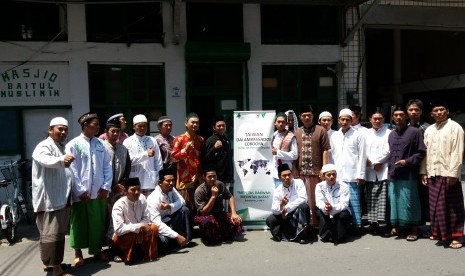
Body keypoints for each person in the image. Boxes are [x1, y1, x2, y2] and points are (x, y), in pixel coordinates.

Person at [65, 112, 112, 266]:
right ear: (85, 125)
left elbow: (107, 166)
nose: (98, 127)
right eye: (95, 124)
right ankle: (78, 253)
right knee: (79, 223)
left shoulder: (101, 144)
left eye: (99, 124)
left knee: (97, 222)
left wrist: (105, 187)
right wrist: (80, 191)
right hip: (81, 193)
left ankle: (96, 250)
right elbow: (72, 170)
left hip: (99, 192)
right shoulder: (73, 144)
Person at [32, 117, 75, 276]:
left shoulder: (60, 146)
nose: (63, 132)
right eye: (60, 129)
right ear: (50, 130)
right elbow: (45, 160)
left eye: (65, 130)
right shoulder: (43, 146)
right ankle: (56, 270)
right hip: (49, 199)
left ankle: (54, 264)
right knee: (53, 235)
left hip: (59, 197)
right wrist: (61, 160)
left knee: (56, 234)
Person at [420, 101, 464, 249]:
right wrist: (424, 172)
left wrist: (453, 174)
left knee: (452, 207)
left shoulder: (455, 128)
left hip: (447, 173)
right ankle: (441, 234)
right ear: (432, 114)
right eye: (436, 110)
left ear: (447, 111)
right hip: (433, 172)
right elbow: (425, 153)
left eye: (442, 109)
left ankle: (457, 236)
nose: (439, 112)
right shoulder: (429, 130)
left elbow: (458, 152)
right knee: (437, 206)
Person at [386, 104, 425, 241]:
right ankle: (397, 225)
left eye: (401, 115)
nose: (398, 117)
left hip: (408, 172)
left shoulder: (415, 132)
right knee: (394, 200)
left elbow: (421, 152)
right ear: (392, 117)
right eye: (396, 115)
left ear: (406, 116)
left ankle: (414, 228)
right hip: (392, 173)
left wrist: (407, 161)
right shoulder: (391, 134)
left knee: (410, 201)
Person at [294, 105, 330, 229]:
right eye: (304, 115)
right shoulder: (297, 132)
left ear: (313, 116)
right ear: (300, 117)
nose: (307, 117)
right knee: (303, 199)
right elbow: (294, 153)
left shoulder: (321, 130)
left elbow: (325, 150)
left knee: (316, 199)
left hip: (317, 172)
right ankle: (304, 224)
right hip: (302, 173)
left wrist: (324, 168)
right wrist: (295, 170)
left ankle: (317, 225)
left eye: (309, 115)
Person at [330, 108, 367, 231]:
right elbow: (331, 155)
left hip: (352, 174)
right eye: (342, 119)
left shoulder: (358, 135)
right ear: (339, 121)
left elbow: (362, 155)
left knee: (354, 200)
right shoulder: (335, 135)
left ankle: (357, 225)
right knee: (340, 201)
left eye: (347, 119)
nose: (345, 122)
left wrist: (361, 174)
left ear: (351, 120)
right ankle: (343, 226)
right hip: (338, 175)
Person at [111, 178, 159, 264]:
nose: (137, 192)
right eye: (133, 190)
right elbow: (118, 230)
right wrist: (138, 227)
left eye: (138, 189)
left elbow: (146, 217)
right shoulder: (119, 205)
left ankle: (148, 255)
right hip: (124, 237)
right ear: (125, 191)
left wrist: (141, 228)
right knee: (131, 234)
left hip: (139, 233)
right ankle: (125, 254)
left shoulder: (142, 199)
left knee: (153, 228)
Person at [102, 116, 131, 258]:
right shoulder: (101, 148)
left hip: (120, 191)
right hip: (105, 191)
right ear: (106, 132)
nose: (115, 134)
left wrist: (122, 184)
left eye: (117, 132)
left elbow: (127, 169)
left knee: (119, 220)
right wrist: (112, 186)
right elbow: (99, 171)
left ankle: (117, 249)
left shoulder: (123, 149)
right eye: (112, 131)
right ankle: (106, 250)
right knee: (106, 220)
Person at [194, 165, 243, 244]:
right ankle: (211, 236)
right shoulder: (199, 191)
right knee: (208, 222)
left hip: (219, 214)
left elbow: (230, 197)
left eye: (214, 176)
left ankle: (220, 234)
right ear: (204, 177)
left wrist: (234, 213)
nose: (212, 179)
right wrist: (213, 196)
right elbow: (203, 212)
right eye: (209, 177)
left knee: (237, 220)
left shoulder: (219, 184)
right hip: (205, 216)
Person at [147, 169, 190, 253]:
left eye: (173, 180)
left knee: (184, 210)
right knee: (164, 243)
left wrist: (170, 206)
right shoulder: (154, 199)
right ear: (160, 182)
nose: (171, 183)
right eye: (168, 181)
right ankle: (178, 239)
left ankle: (185, 239)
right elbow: (157, 224)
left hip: (170, 220)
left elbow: (182, 201)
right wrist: (177, 236)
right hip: (159, 225)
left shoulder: (171, 189)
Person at [266, 163, 310, 244]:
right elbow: (274, 209)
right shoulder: (278, 190)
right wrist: (281, 205)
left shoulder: (299, 182)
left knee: (304, 207)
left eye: (289, 174)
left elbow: (303, 199)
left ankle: (302, 236)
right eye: (284, 175)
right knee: (270, 220)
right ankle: (286, 234)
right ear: (280, 177)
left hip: (297, 212)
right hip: (285, 215)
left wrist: (286, 208)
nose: (287, 177)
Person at [172, 112, 204, 216]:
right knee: (186, 204)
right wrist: (185, 150)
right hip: (185, 177)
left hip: (198, 177)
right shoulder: (179, 139)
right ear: (186, 123)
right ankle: (187, 229)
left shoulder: (200, 139)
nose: (195, 125)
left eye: (197, 123)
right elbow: (173, 158)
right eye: (192, 122)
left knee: (198, 204)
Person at [123, 114, 163, 197]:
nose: (142, 128)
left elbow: (158, 161)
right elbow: (128, 162)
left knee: (150, 207)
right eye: (140, 126)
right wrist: (145, 154)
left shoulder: (152, 140)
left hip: (151, 181)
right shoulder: (128, 141)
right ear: (134, 127)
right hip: (134, 182)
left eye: (144, 126)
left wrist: (159, 178)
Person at [365, 108, 391, 232]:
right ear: (370, 119)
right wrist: (370, 163)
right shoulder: (365, 133)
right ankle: (372, 223)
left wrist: (378, 162)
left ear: (383, 120)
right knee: (370, 197)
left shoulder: (389, 133)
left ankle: (383, 224)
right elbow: (362, 150)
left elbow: (388, 150)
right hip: (369, 169)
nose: (377, 121)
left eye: (379, 119)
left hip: (383, 168)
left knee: (383, 198)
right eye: (374, 118)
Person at [407, 99, 431, 233]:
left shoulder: (427, 128)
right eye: (411, 110)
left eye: (416, 110)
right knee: (411, 196)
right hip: (409, 168)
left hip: (423, 168)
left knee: (424, 197)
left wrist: (425, 171)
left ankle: (425, 226)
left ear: (421, 112)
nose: (413, 112)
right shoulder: (405, 127)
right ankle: (413, 224)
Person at [315, 164, 352, 244]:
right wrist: (325, 208)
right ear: (324, 176)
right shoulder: (319, 186)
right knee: (319, 213)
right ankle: (326, 233)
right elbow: (319, 201)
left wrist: (333, 208)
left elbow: (344, 203)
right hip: (326, 210)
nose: (332, 176)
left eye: (334, 174)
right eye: (329, 175)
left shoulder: (343, 186)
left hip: (340, 211)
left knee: (343, 216)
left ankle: (340, 234)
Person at [201, 115, 233, 185]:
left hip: (226, 177)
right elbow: (204, 158)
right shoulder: (210, 140)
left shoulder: (226, 139)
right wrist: (214, 148)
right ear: (214, 127)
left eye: (223, 125)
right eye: (219, 126)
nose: (221, 127)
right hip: (216, 178)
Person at [271, 113, 298, 187]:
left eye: (283, 122)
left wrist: (278, 152)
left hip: (286, 172)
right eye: (278, 122)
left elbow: (295, 155)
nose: (280, 124)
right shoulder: (273, 135)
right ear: (275, 123)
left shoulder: (291, 136)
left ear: (286, 123)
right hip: (275, 172)